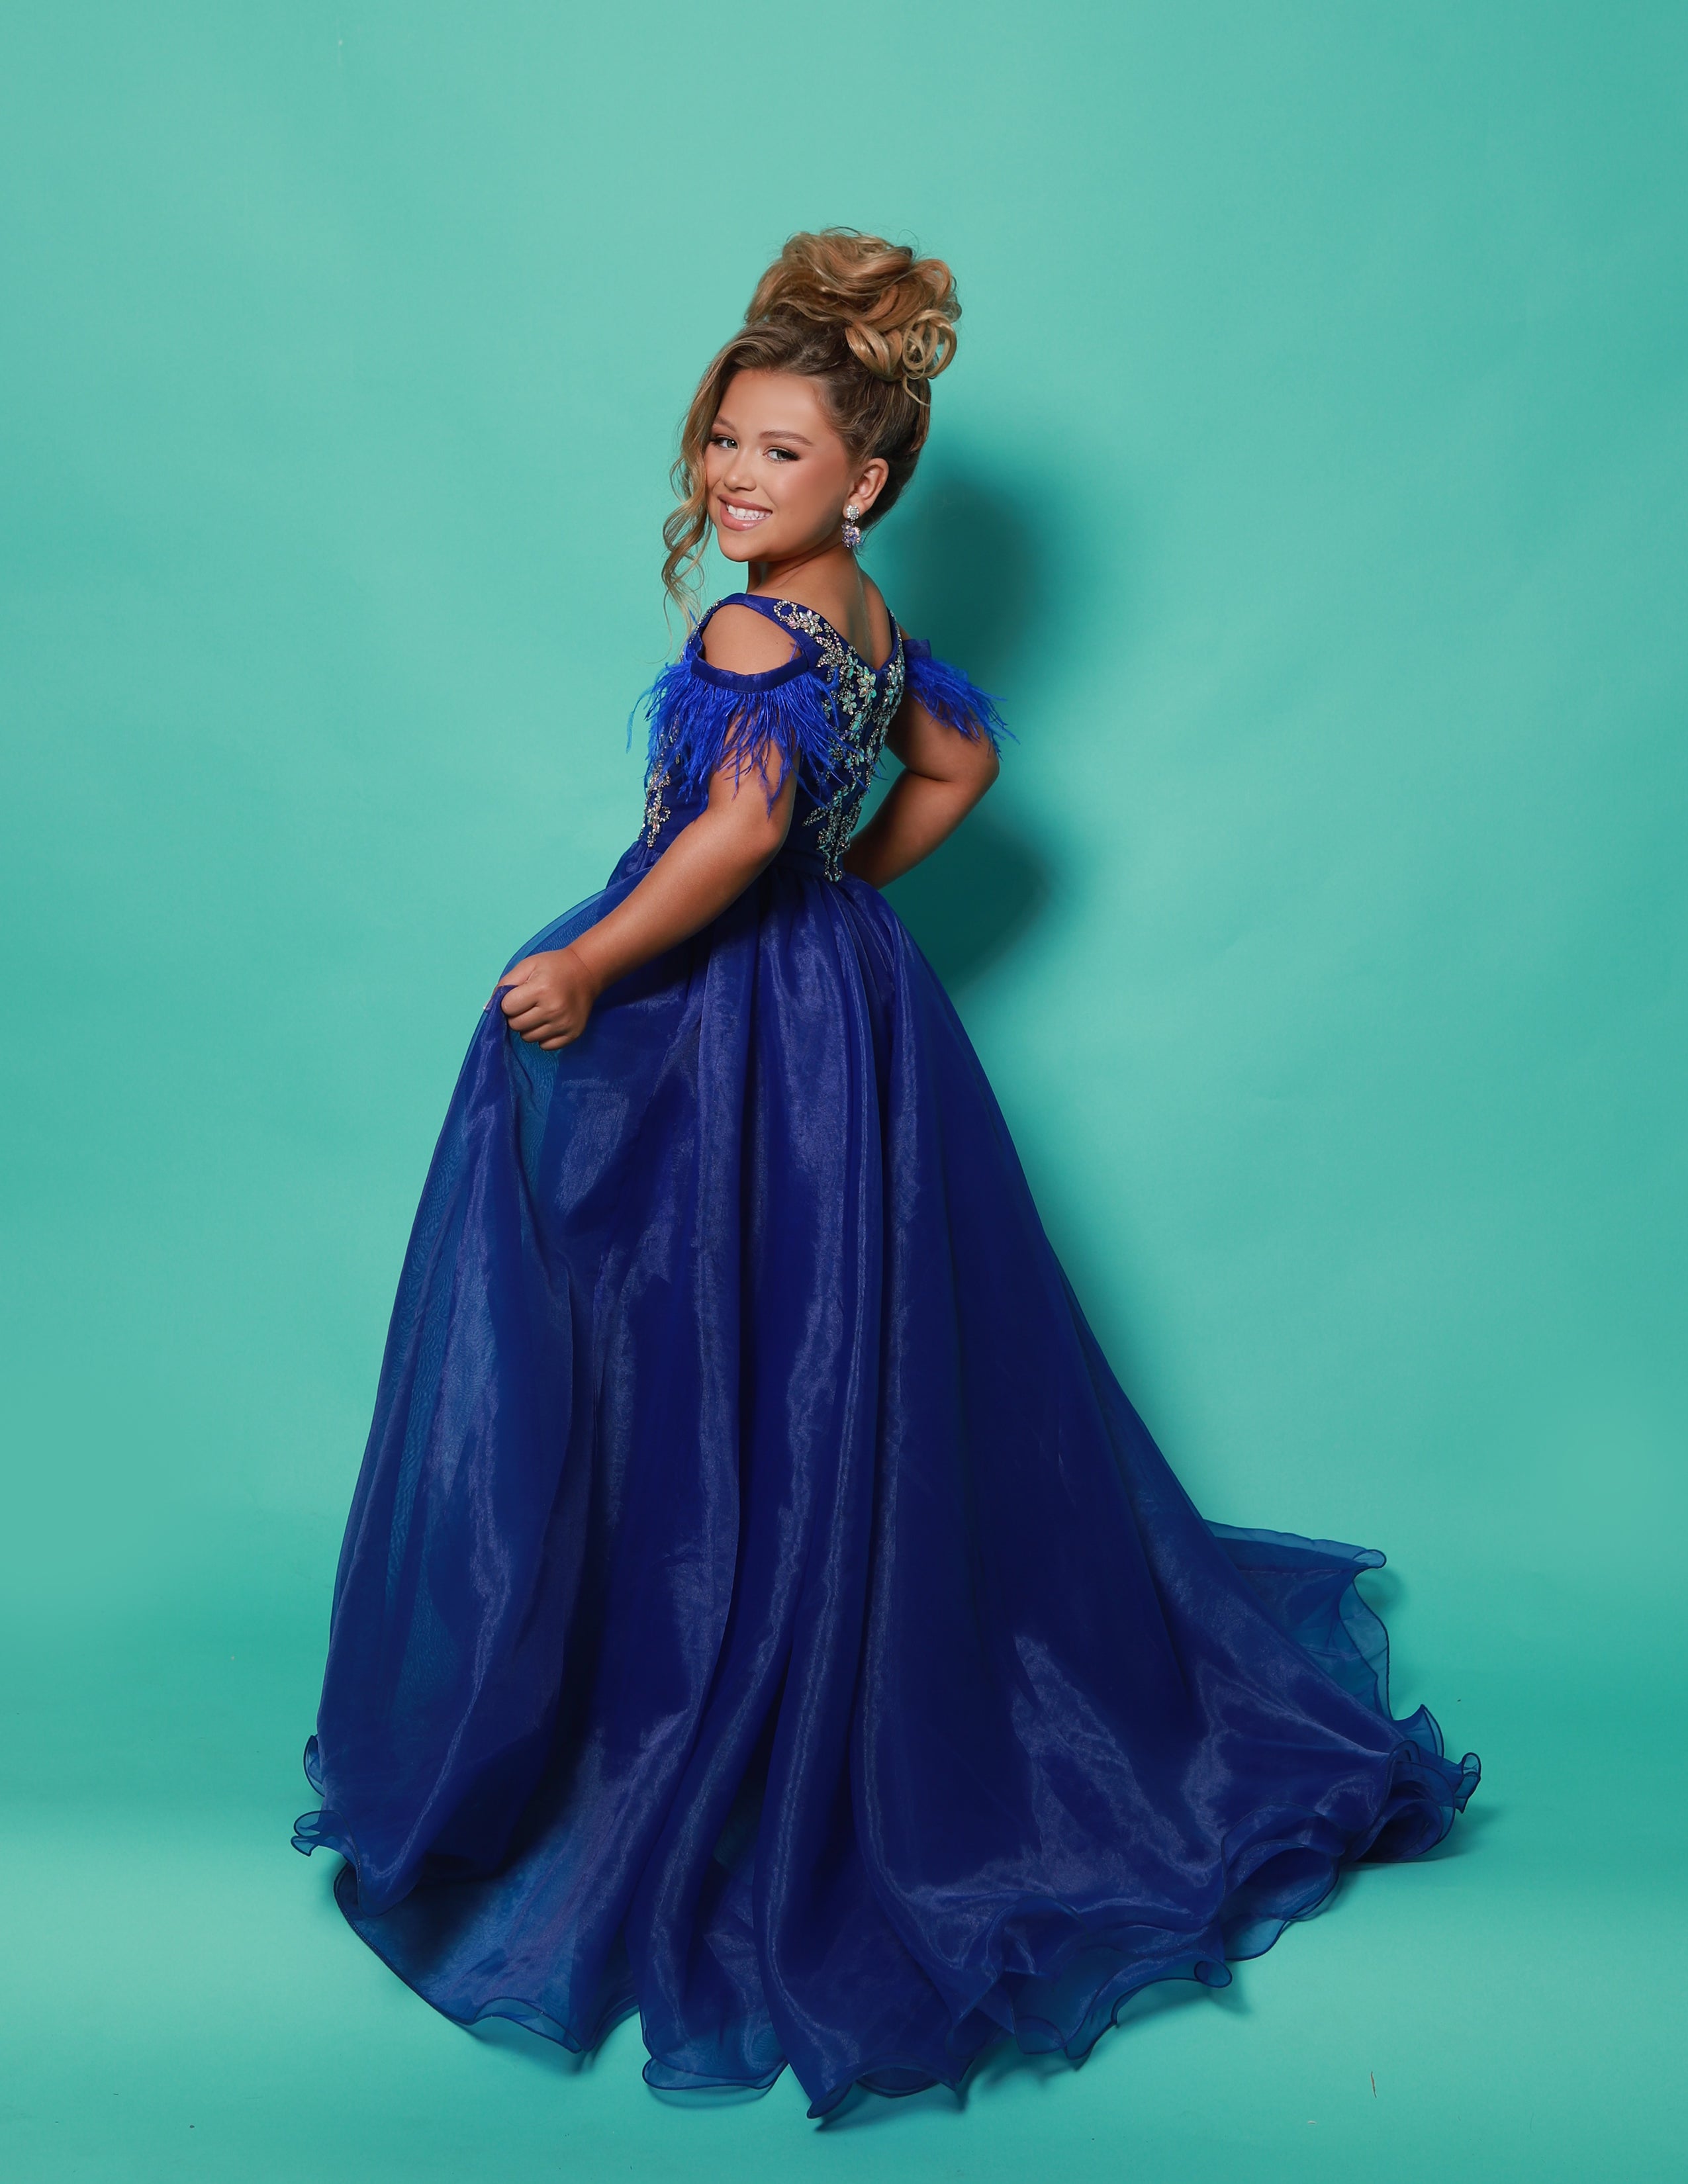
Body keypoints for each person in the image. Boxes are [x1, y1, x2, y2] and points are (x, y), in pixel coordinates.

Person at [295, 229, 1477, 2119]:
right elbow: (952, 769)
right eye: (724, 442)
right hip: (845, 1008)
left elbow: (737, 828)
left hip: (726, 1017)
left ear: (868, 478)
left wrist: (597, 960)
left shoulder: (751, 630)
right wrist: (840, 901)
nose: (735, 478)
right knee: (820, 1329)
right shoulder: (859, 615)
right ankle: (780, 1627)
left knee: (685, 1316)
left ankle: (702, 1685)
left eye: (779, 453)